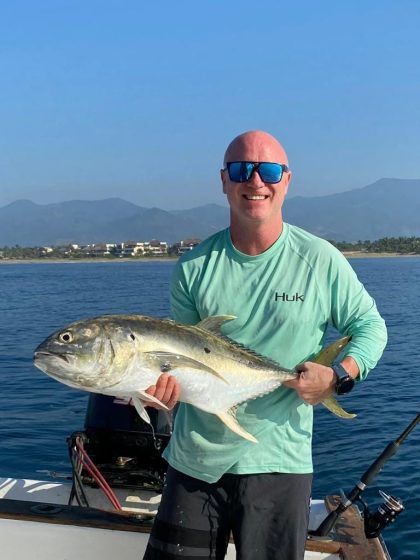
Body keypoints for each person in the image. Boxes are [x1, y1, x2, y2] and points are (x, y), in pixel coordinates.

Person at [142, 130, 387, 560]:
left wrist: (337, 374)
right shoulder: (194, 266)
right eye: (241, 169)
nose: (255, 181)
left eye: (269, 170)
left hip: (279, 462)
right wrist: (155, 391)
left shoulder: (320, 259)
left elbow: (370, 327)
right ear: (224, 181)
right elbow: (181, 361)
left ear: (286, 181)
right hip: (194, 463)